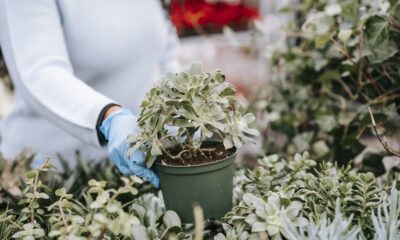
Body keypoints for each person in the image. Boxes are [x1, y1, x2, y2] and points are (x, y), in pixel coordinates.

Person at [0, 0, 180, 187]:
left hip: (131, 172)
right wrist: (108, 118)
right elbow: (41, 73)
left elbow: (166, 57)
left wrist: (176, 116)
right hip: (45, 181)